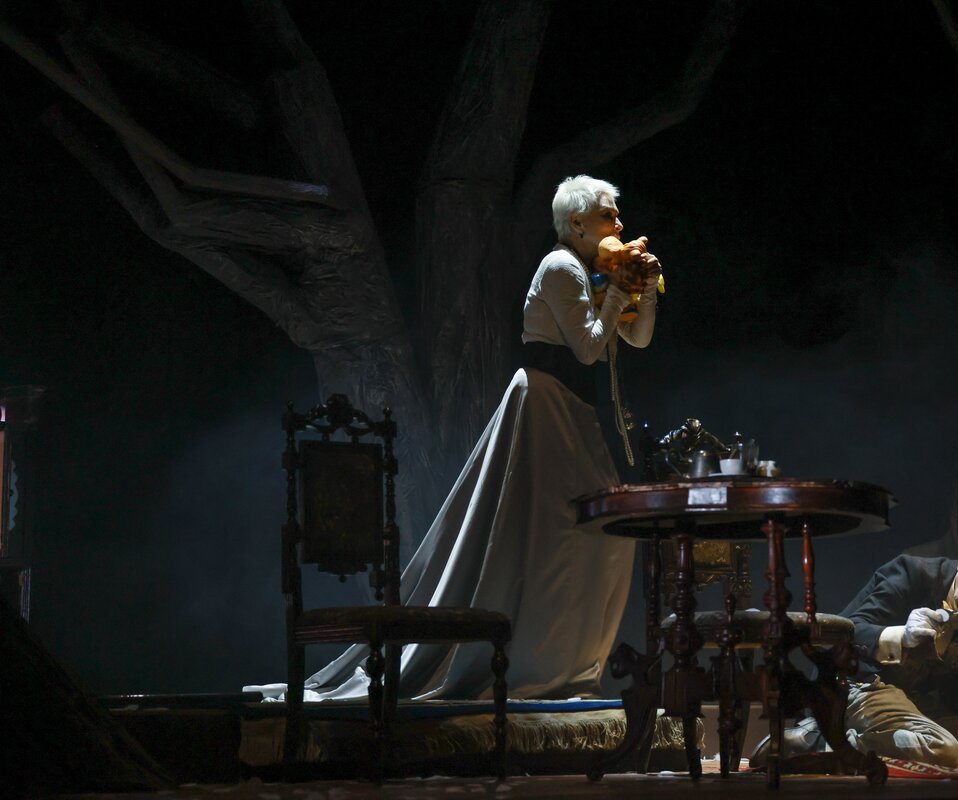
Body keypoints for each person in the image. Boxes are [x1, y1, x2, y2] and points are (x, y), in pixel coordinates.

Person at [247, 175, 661, 702]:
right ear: (576, 223)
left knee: (595, 533)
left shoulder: (593, 269)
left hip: (573, 408)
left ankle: (567, 664)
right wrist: (619, 293)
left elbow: (635, 338)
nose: (619, 223)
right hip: (547, 401)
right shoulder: (560, 267)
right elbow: (587, 349)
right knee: (564, 533)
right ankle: (544, 664)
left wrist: (644, 291)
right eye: (608, 215)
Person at [753, 538, 958, 767]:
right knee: (944, 748)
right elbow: (847, 632)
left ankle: (838, 734)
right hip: (858, 683)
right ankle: (819, 742)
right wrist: (901, 636)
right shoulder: (912, 574)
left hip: (907, 697)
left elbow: (954, 690)